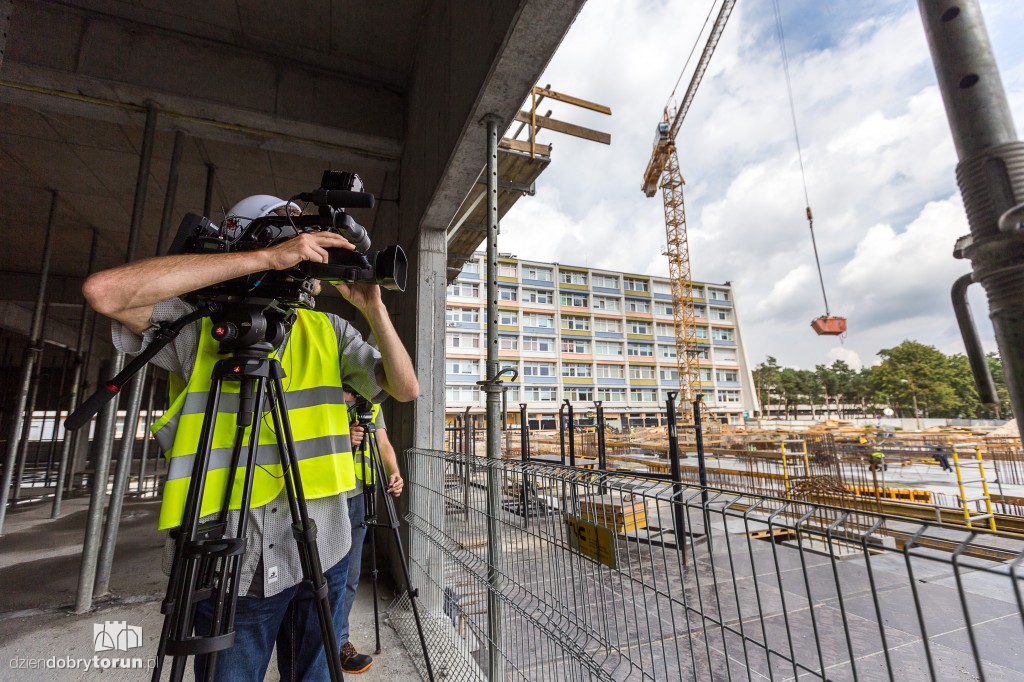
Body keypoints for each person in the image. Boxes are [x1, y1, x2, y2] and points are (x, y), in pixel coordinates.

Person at [81, 194, 418, 682]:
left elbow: (406, 388)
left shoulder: (327, 330)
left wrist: (374, 309)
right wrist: (264, 259)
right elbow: (104, 292)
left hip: (322, 544)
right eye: (294, 241)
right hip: (232, 562)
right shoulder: (200, 326)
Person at [339, 391, 403, 674]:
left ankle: (339, 642)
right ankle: (310, 643)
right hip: (324, 495)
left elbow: (383, 441)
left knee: (350, 576)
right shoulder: (323, 395)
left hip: (359, 498)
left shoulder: (371, 403)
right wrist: (341, 438)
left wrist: (394, 471)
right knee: (314, 577)